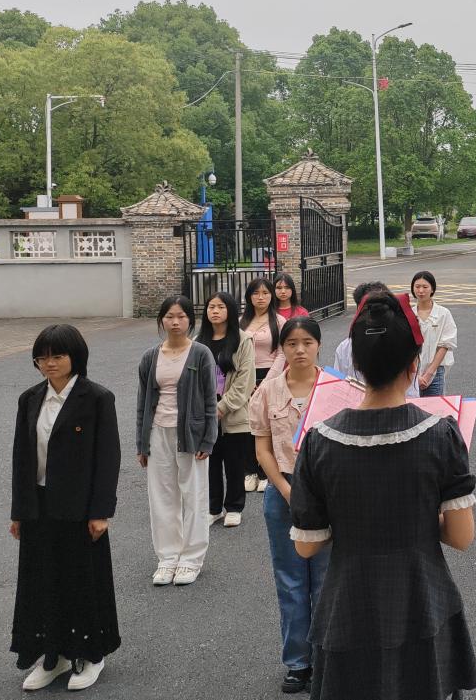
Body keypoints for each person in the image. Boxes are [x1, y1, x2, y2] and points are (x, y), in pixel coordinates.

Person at [290, 294, 476, 699]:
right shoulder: (441, 434)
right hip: (421, 602)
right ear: (413, 365)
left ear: (356, 364)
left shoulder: (318, 441)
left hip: (348, 606)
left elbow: (306, 545)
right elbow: (461, 536)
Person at [11, 325, 120, 692]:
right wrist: (18, 511)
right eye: (42, 357)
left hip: (80, 508)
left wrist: (101, 511)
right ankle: (52, 655)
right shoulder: (30, 399)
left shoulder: (97, 398)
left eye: (57, 356)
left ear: (75, 357)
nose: (49, 363)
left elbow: (108, 458)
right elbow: (21, 459)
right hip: (38, 506)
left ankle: (91, 655)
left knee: (81, 581)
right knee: (42, 581)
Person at [249, 316, 332, 694]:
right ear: (281, 349)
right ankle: (298, 663)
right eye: (292, 343)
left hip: (328, 496)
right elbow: (262, 449)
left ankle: (326, 659)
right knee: (291, 580)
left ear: (318, 345)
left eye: (307, 342)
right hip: (282, 492)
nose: (300, 350)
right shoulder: (268, 391)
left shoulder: (336, 389)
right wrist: (285, 490)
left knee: (326, 581)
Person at [135, 295, 217, 587]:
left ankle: (191, 559)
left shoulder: (201, 354)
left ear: (190, 321)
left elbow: (210, 400)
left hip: (191, 435)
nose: (175, 322)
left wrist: (208, 440)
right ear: (161, 320)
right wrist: (141, 443)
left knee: (194, 496)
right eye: (169, 316)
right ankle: (168, 558)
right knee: (162, 498)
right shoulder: (150, 357)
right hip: (158, 432)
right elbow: (143, 403)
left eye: (181, 316)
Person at [199, 292, 256, 528]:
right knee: (209, 464)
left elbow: (245, 382)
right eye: (211, 307)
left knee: (234, 463)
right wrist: (205, 410)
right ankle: (213, 508)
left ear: (230, 310)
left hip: (234, 414)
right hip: (204, 413)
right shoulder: (197, 341)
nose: (215, 311)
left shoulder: (243, 340)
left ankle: (234, 507)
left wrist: (221, 408)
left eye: (220, 307)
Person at [241, 276, 281, 491]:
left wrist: (267, 381)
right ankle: (249, 471)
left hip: (270, 377)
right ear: (249, 297)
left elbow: (282, 354)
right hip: (244, 377)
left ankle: (265, 472)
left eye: (265, 293)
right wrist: (243, 380)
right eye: (256, 293)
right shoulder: (241, 322)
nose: (261, 297)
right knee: (246, 426)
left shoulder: (279, 321)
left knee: (267, 426)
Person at [412, 270, 458, 397]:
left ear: (432, 289)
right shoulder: (409, 314)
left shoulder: (443, 313)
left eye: (425, 287)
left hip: (436, 371)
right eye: (417, 287)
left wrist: (429, 373)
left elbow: (446, 344)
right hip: (412, 373)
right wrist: (415, 374)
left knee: (435, 408)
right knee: (413, 407)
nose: (421, 291)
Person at [331, 281, 391, 379]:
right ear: (358, 311)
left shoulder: (400, 343)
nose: (373, 315)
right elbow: (337, 382)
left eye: (379, 309)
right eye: (367, 309)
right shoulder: (344, 348)